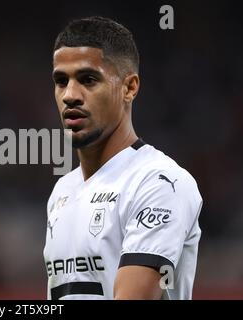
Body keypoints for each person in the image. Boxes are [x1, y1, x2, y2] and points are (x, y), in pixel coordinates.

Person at [43, 16, 202, 300]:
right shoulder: (62, 192)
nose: (69, 95)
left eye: (88, 80)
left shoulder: (159, 182)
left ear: (129, 88)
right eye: (60, 81)